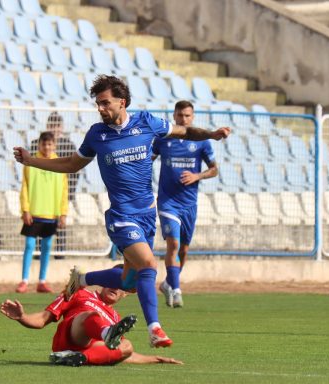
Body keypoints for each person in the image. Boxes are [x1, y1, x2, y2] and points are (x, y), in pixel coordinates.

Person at [13, 75, 231, 349]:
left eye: (105, 103)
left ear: (122, 102)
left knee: (130, 283)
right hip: (121, 217)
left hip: (147, 215)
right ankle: (155, 329)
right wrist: (32, 161)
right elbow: (72, 165)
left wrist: (211, 134)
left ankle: (82, 279)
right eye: (98, 104)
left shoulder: (147, 123)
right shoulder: (97, 134)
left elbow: (184, 132)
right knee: (149, 265)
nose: (101, 108)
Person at [0, 286, 183, 366]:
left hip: (89, 350)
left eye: (121, 286)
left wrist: (156, 359)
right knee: (91, 316)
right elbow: (42, 318)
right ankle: (103, 335)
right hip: (71, 337)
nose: (115, 287)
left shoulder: (115, 317)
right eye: (112, 281)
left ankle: (76, 358)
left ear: (126, 293)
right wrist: (22, 317)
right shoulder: (79, 293)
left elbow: (121, 354)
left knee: (127, 346)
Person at [152, 100, 218, 308]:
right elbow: (147, 161)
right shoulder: (163, 139)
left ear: (193, 117)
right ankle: (177, 290)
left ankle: (167, 284)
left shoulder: (202, 142)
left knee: (184, 250)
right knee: (173, 244)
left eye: (187, 116)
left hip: (189, 203)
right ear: (174, 116)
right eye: (180, 115)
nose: (184, 119)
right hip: (167, 202)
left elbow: (214, 169)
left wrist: (197, 176)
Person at [17, 131, 68, 293]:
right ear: (39, 145)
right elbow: (24, 187)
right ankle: (24, 281)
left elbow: (64, 191)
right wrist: (25, 209)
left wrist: (63, 213)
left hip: (51, 214)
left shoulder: (60, 164)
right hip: (33, 213)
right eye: (44, 144)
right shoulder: (31, 163)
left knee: (47, 247)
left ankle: (42, 281)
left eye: (50, 144)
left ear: (54, 145)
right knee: (29, 246)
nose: (47, 147)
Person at [30, 112, 77, 256]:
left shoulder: (69, 145)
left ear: (61, 127)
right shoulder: (35, 144)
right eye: (52, 125)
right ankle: (38, 253)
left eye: (57, 126)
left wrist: (69, 193)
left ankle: (60, 253)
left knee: (61, 223)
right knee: (39, 221)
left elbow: (74, 171)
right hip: (41, 192)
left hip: (60, 192)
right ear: (47, 126)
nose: (55, 129)